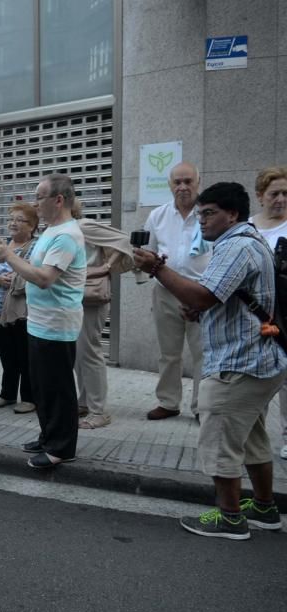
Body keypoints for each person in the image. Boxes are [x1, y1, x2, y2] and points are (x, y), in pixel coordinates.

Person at [133, 182, 287, 540]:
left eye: (208, 213)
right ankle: (265, 507)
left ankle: (230, 518)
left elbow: (203, 294)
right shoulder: (247, 240)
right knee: (252, 438)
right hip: (259, 359)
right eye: (200, 213)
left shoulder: (235, 246)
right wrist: (201, 311)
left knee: (219, 440)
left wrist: (157, 267)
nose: (201, 220)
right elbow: (220, 297)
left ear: (232, 214)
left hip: (238, 362)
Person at [0, 174, 86, 468]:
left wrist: (9, 256)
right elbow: (34, 269)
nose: (35, 204)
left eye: (39, 197)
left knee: (58, 389)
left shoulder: (66, 235)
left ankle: (61, 448)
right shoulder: (51, 231)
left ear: (58, 200)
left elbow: (45, 278)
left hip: (58, 324)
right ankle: (48, 437)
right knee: (43, 387)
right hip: (40, 322)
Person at [141, 162, 210, 421]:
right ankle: (169, 402)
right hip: (165, 292)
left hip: (201, 293)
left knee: (203, 353)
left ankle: (202, 407)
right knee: (168, 352)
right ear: (170, 185)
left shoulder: (208, 213)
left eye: (188, 181)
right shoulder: (157, 216)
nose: (182, 187)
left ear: (198, 182)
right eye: (177, 182)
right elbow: (147, 251)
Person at [74, 206, 136, 429]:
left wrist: (105, 267)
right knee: (80, 354)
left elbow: (124, 240)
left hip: (91, 297)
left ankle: (98, 411)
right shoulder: (65, 229)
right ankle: (84, 402)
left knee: (89, 352)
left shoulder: (83, 225)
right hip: (75, 298)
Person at [0, 204, 37, 413]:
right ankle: (8, 393)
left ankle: (30, 397)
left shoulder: (35, 246)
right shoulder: (2, 246)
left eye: (19, 219)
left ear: (32, 226)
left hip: (23, 311)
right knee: (6, 354)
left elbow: (34, 272)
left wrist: (15, 276)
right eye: (11, 218)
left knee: (25, 355)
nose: (12, 223)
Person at [248, 167, 287, 459]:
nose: (281, 199)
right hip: (253, 315)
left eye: (286, 194)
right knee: (255, 376)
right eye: (275, 193)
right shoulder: (248, 228)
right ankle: (253, 433)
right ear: (260, 196)